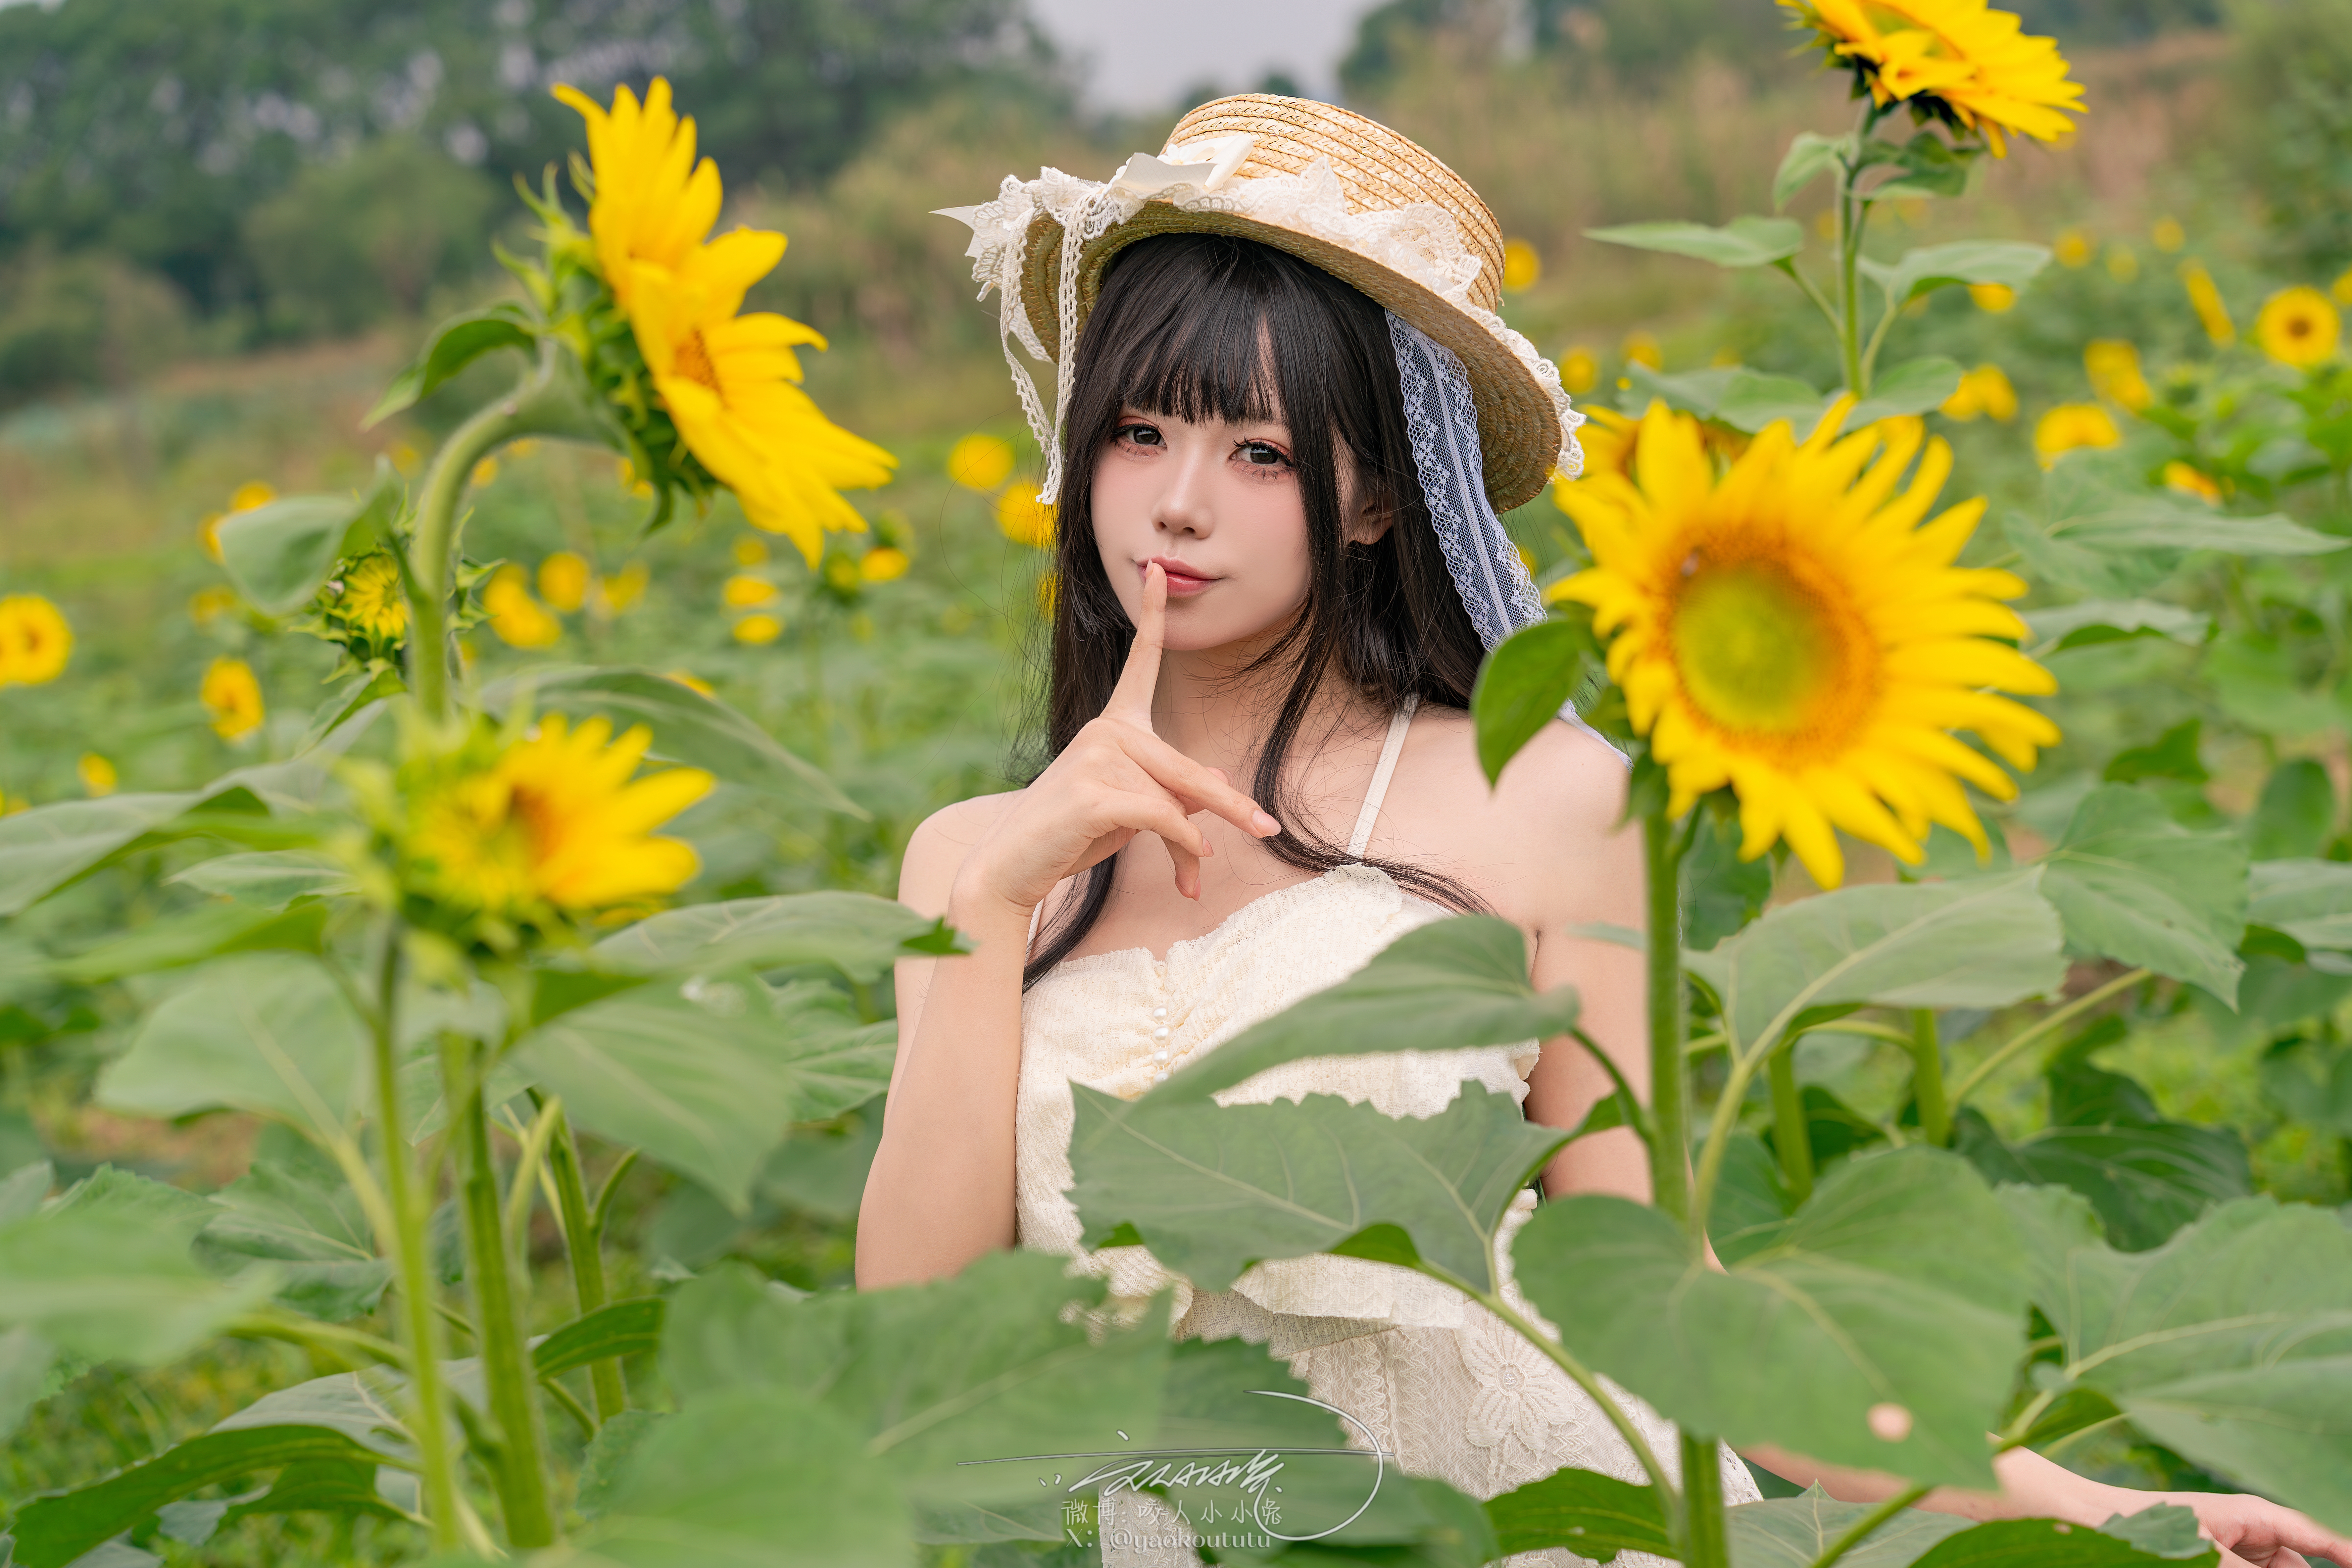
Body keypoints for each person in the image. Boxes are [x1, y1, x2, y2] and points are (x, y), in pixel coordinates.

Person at [858, 95, 2350, 1568]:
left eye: (1260, 452)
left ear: (1376, 497)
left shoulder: (1544, 798)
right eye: (1140, 430)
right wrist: (997, 898)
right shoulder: (972, 861)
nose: (1179, 506)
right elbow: (921, 1338)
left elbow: (1666, 1290)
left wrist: (2108, 1516)